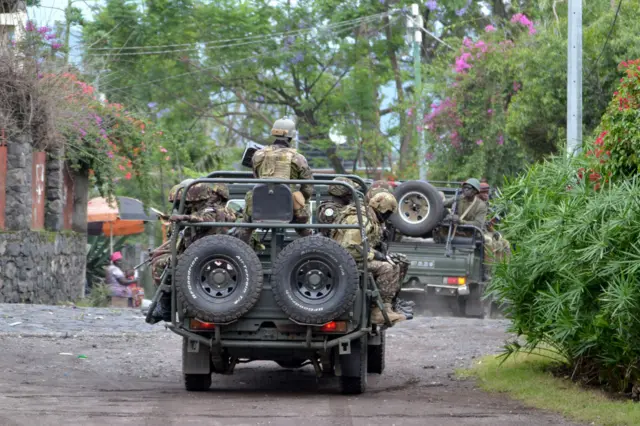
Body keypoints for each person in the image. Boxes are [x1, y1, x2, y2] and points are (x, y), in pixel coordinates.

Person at [332, 191, 406, 325]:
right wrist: (375, 255)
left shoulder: (369, 217)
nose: (388, 217)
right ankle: (377, 311)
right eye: (388, 213)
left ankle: (388, 307)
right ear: (381, 209)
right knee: (387, 268)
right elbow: (349, 248)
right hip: (345, 263)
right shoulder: (362, 219)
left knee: (396, 263)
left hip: (350, 260)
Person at [238, 117, 314, 245]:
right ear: (291, 136)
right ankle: (314, 247)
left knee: (246, 226)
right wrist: (302, 199)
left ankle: (239, 249)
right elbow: (308, 186)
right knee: (303, 226)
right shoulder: (298, 158)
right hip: (287, 205)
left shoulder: (257, 155)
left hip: (260, 203)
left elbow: (257, 178)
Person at [170, 183, 236, 248]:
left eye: (215, 194)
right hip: (198, 247)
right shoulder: (201, 208)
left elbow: (208, 219)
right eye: (212, 193)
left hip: (208, 248)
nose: (212, 196)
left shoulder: (217, 209)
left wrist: (185, 217)